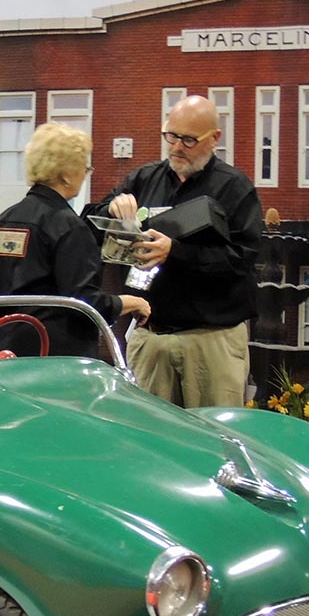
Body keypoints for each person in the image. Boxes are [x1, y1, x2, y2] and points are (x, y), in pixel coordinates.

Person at [82, 94, 261, 407]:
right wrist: (110, 207)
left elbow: (242, 260)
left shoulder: (234, 189)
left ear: (214, 138)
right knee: (147, 440)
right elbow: (89, 225)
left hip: (211, 342)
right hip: (150, 339)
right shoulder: (142, 179)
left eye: (189, 139)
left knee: (214, 441)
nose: (177, 147)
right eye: (171, 136)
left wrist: (175, 252)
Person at [0, 123, 149, 357]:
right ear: (67, 175)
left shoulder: (4, 221)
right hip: (50, 357)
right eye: (85, 167)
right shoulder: (69, 227)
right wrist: (131, 302)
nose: (86, 174)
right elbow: (84, 304)